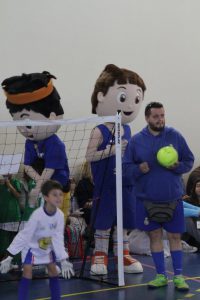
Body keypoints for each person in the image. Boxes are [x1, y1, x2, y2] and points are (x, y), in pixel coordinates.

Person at [123, 102, 194, 290]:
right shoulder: (136, 141)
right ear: (147, 118)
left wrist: (177, 166)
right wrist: (139, 169)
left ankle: (179, 276)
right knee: (154, 236)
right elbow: (125, 168)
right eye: (156, 116)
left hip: (173, 197)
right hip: (147, 199)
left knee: (175, 237)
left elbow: (189, 160)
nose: (160, 119)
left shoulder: (175, 136)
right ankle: (161, 276)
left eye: (162, 115)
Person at [86, 64, 146, 275]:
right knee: (103, 221)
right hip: (106, 184)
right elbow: (89, 156)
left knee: (125, 221)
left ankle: (123, 254)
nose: (130, 104)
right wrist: (113, 149)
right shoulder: (99, 130)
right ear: (102, 96)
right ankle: (100, 254)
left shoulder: (127, 128)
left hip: (125, 184)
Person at [2, 72, 70, 223]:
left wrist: (38, 187)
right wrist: (39, 183)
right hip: (44, 187)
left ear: (52, 117)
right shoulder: (30, 142)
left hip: (59, 187)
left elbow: (50, 170)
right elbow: (27, 166)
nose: (24, 130)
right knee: (39, 223)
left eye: (27, 123)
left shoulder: (55, 143)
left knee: (54, 223)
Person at [0, 180, 74, 300]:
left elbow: (58, 238)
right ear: (45, 197)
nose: (59, 197)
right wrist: (9, 255)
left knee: (53, 271)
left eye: (60, 194)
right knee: (27, 273)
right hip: (31, 248)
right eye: (54, 194)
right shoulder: (37, 215)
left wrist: (64, 259)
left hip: (46, 246)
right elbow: (24, 235)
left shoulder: (60, 215)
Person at [182, 178, 200, 249]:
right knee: (186, 219)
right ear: (194, 188)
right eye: (198, 186)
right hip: (189, 235)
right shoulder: (187, 201)